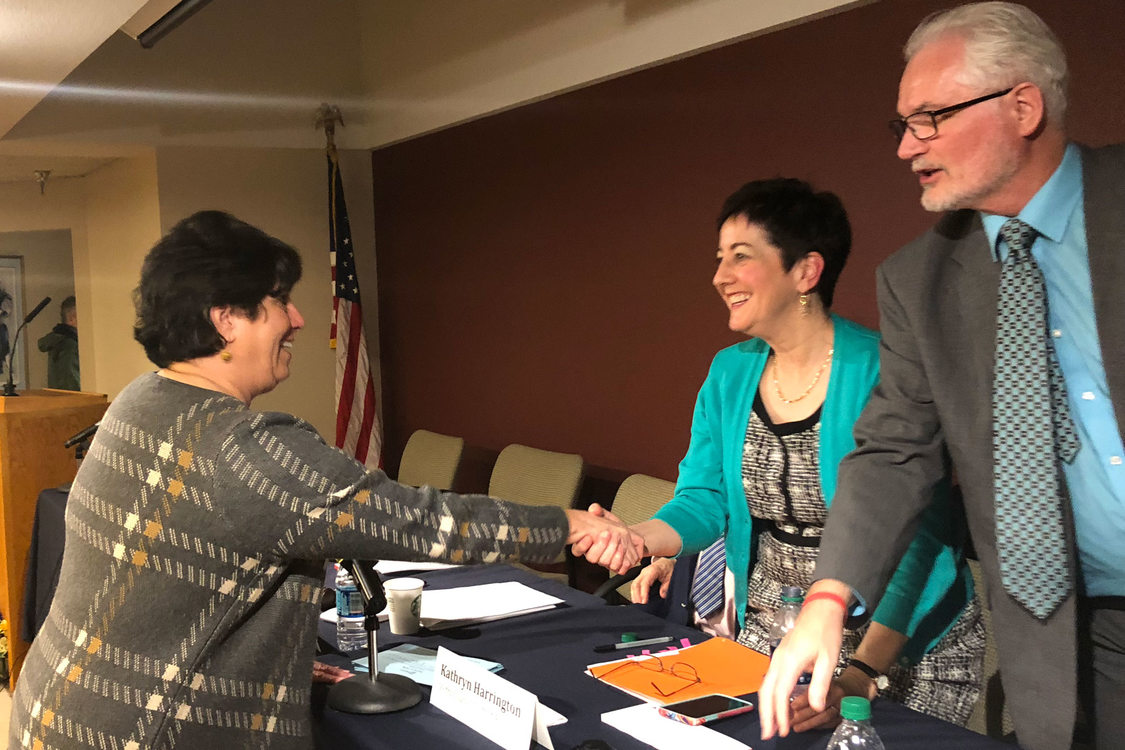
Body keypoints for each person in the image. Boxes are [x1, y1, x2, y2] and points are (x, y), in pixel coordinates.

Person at [8, 210, 640, 750]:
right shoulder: (245, 446)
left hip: (60, 708)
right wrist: (570, 524)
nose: (299, 318)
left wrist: (277, 660)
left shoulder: (139, 401)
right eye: (280, 299)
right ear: (227, 319)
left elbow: (166, 584)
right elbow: (421, 521)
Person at [759, 5, 1125, 750]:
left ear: (1022, 107)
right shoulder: (916, 282)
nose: (906, 148)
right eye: (901, 125)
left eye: (929, 118)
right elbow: (894, 450)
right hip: (1079, 634)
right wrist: (828, 598)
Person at [622, 178, 984, 731]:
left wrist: (860, 674)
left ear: (806, 272)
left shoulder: (880, 370)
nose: (720, 276)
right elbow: (704, 499)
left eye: (740, 258)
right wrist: (637, 538)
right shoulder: (729, 371)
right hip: (775, 624)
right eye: (719, 258)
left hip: (896, 643)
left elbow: (921, 548)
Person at [37, 295, 80, 391]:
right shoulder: (69, 345)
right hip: (72, 401)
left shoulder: (57, 340)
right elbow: (72, 382)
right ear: (73, 318)